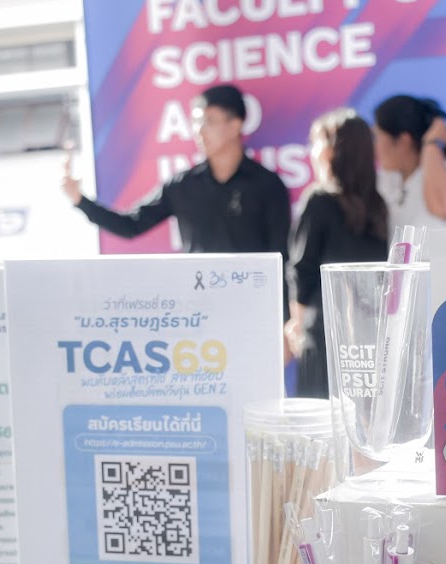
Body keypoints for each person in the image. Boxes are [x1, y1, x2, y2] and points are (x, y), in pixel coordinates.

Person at [62, 85, 290, 262]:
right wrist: (80, 200)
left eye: (209, 121)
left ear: (235, 125)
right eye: (196, 122)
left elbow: (281, 256)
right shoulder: (182, 186)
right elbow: (131, 225)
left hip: (252, 302)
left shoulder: (268, 185)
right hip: (199, 304)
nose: (199, 131)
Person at [286, 108, 389, 398]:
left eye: (316, 142)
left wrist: (296, 323)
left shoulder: (319, 200)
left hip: (323, 330)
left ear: (333, 150)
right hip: (367, 331)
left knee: (320, 414)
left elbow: (302, 269)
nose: (312, 151)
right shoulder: (377, 204)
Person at [373, 95, 446, 232]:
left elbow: (442, 207)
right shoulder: (387, 180)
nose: (374, 146)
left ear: (404, 141)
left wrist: (432, 145)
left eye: (378, 136)